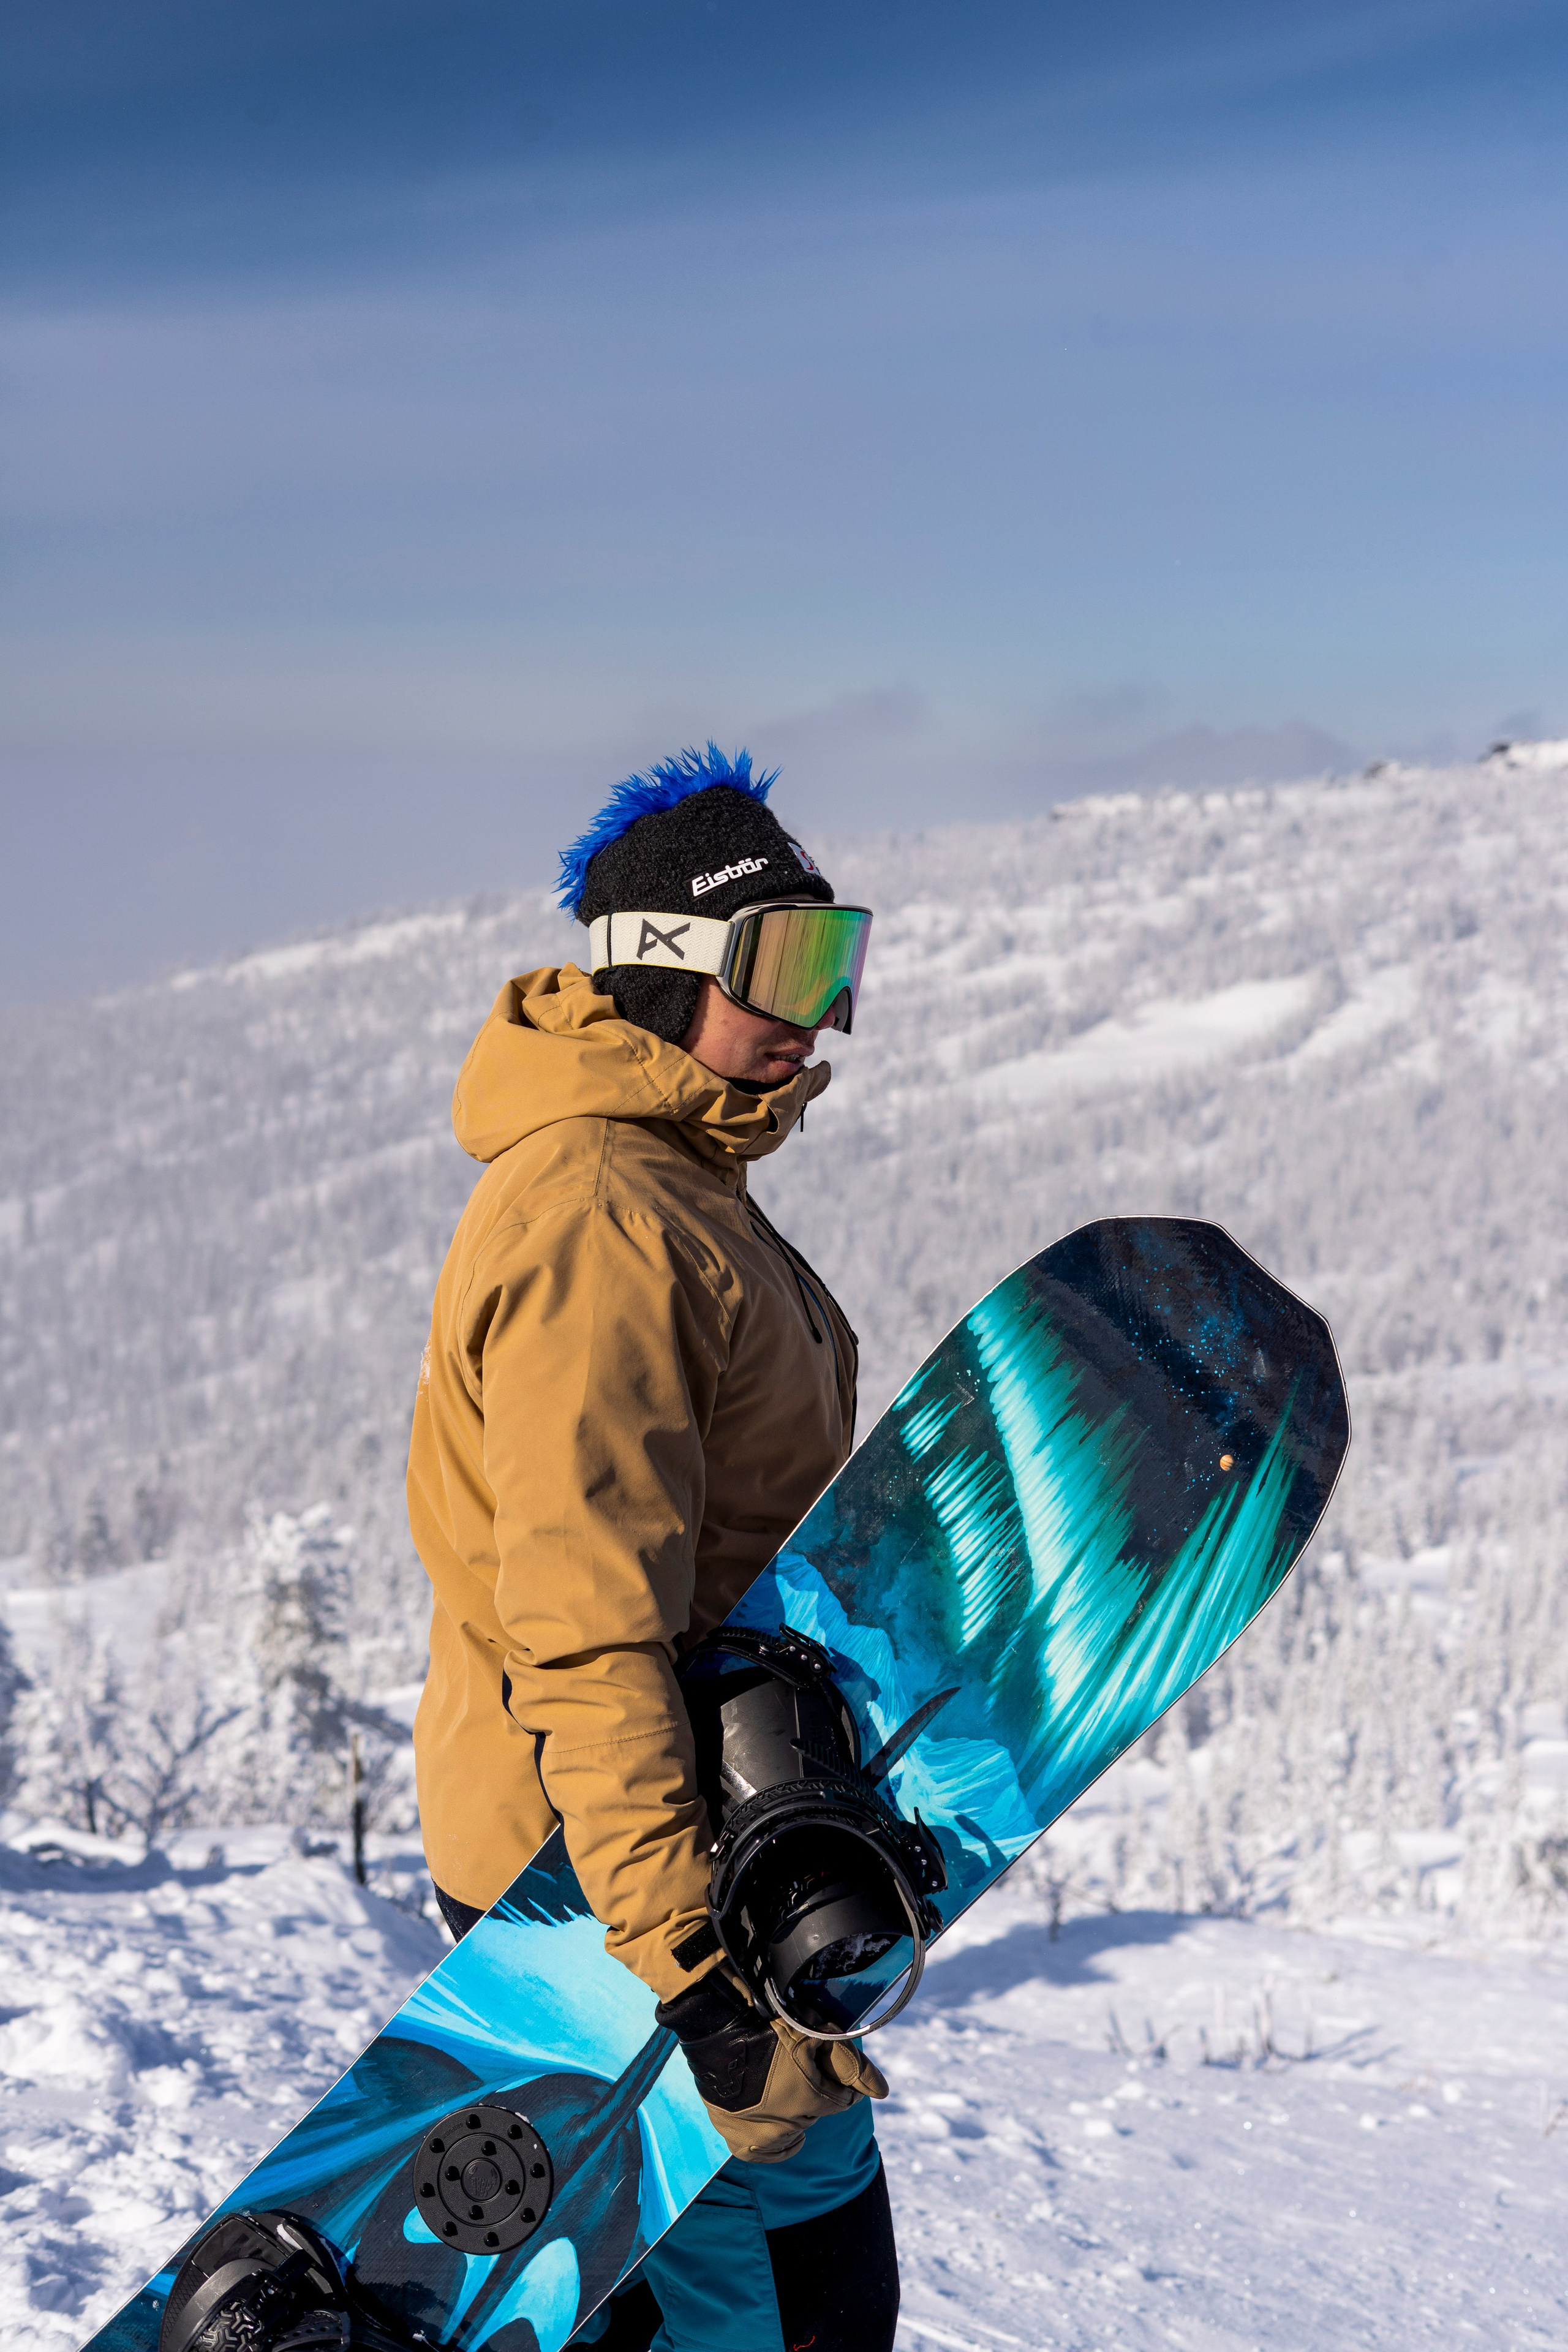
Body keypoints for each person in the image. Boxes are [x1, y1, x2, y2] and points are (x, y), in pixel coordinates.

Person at [406, 745, 898, 2352]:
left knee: (794, 2273)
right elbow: (585, 1619)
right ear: (667, 972)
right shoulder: (607, 1221)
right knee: (784, 2300)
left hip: (684, 1856)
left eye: (836, 956)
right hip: (628, 1888)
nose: (817, 1009)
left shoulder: (676, 1182)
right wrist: (677, 1951)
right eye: (783, 962)